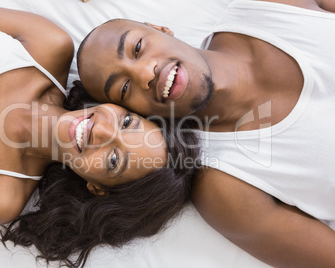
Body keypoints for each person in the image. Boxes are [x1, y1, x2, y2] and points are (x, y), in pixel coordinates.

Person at [0, 1, 200, 267]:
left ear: (97, 189)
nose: (103, 130)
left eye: (113, 160)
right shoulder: (47, 45)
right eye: (127, 122)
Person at [75, 0, 335, 267]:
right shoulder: (224, 188)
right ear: (134, 113)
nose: (145, 73)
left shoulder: (265, 7)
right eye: (125, 88)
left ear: (159, 28)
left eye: (137, 48)